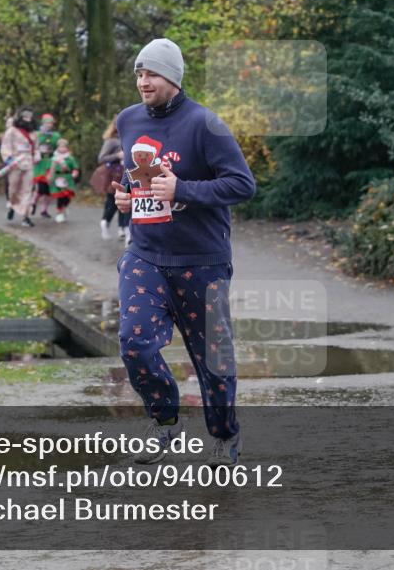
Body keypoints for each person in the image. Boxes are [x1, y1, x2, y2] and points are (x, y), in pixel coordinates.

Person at [112, 38, 255, 466]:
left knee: (213, 360)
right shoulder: (128, 120)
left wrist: (183, 189)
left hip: (202, 261)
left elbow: (242, 185)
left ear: (172, 77)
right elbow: (135, 176)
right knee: (134, 343)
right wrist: (127, 199)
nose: (143, 82)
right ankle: (164, 422)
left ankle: (225, 433)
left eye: (151, 73)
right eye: (139, 74)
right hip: (146, 254)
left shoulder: (205, 125)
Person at [0, 107, 37, 227]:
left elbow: (36, 148)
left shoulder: (34, 133)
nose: (27, 118)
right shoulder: (12, 131)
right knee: (13, 189)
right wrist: (9, 159)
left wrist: (37, 156)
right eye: (25, 115)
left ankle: (26, 216)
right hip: (15, 163)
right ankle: (12, 205)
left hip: (28, 163)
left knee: (27, 189)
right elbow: (5, 146)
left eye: (29, 116)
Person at [97, 116, 129, 241]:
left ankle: (122, 228)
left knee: (125, 200)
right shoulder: (111, 141)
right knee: (112, 201)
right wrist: (117, 155)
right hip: (114, 174)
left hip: (127, 174)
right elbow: (101, 158)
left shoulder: (129, 138)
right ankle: (105, 222)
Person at [31, 114, 59, 218]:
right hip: (39, 164)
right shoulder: (37, 135)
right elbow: (32, 147)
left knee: (48, 189)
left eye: (51, 123)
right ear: (43, 123)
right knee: (40, 188)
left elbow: (59, 148)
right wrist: (35, 155)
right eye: (47, 123)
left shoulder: (55, 136)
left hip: (50, 163)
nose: (49, 125)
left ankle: (44, 210)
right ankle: (33, 203)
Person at [48, 138, 80, 223]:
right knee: (60, 197)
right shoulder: (54, 158)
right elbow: (50, 169)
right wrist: (50, 176)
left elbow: (75, 167)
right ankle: (59, 213)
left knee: (67, 196)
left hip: (67, 178)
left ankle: (65, 207)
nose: (62, 149)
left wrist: (75, 173)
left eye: (64, 147)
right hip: (57, 178)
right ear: (58, 147)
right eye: (60, 147)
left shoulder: (70, 158)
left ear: (67, 148)